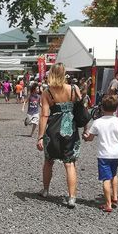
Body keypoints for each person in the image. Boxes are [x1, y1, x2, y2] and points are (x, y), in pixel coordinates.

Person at [36, 63, 82, 208]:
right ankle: (72, 197)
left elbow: (44, 115)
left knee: (49, 161)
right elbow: (81, 109)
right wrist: (86, 127)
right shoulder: (74, 89)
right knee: (69, 163)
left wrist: (40, 136)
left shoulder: (47, 92)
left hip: (53, 129)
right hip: (71, 129)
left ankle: (45, 190)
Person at [82, 95, 118, 212]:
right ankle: (115, 197)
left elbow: (90, 138)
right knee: (114, 174)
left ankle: (108, 204)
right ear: (116, 108)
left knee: (106, 179)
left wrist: (85, 136)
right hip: (117, 153)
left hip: (104, 154)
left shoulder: (97, 122)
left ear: (102, 108)